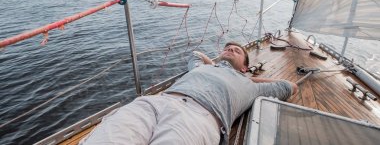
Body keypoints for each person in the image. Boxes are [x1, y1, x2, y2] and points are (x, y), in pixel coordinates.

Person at [80, 42, 298, 145]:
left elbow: (290, 86)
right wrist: (214, 64)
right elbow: (194, 54)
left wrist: (249, 78)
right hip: (155, 103)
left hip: (198, 117)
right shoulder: (201, 67)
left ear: (244, 66)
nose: (230, 48)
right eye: (227, 47)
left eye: (237, 50)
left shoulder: (252, 87)